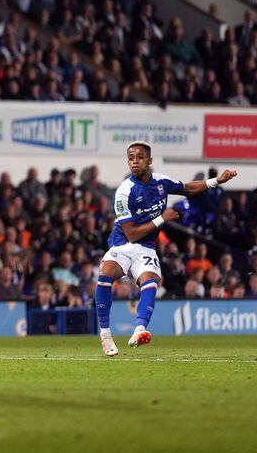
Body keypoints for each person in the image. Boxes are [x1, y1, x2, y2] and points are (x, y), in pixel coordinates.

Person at [95, 142, 237, 356]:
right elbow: (131, 233)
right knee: (105, 275)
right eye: (131, 157)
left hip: (146, 247)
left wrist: (216, 181)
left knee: (150, 281)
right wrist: (163, 218)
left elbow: (188, 188)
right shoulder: (124, 192)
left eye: (140, 157)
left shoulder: (162, 182)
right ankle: (106, 337)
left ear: (149, 161)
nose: (135, 161)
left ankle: (139, 330)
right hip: (123, 243)